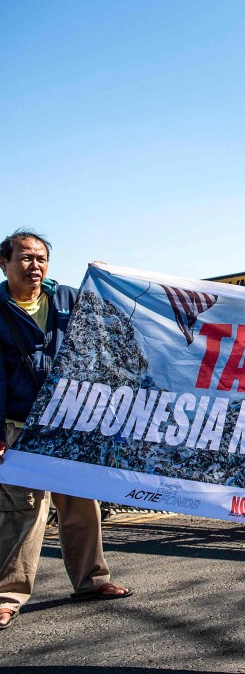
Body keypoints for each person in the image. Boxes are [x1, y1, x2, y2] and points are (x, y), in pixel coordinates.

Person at [0, 229, 132, 632]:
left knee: (81, 504)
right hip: (18, 424)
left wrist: (112, 282)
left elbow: (111, 324)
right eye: (24, 258)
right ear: (4, 264)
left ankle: (93, 580)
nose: (34, 266)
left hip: (68, 422)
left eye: (41, 258)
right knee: (24, 511)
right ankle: (8, 595)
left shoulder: (67, 299)